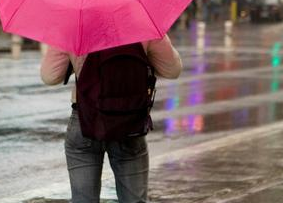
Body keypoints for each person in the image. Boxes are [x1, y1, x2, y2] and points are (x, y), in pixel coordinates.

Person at [40, 35, 183, 203]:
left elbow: (49, 76)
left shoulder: (74, 28)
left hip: (85, 121)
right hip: (130, 123)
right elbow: (173, 70)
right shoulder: (144, 26)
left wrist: (75, 64)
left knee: (83, 200)